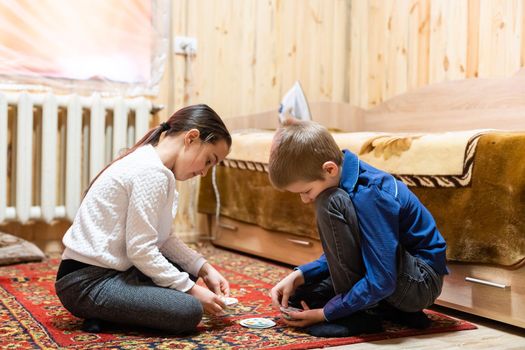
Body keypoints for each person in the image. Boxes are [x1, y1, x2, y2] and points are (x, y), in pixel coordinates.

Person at [55, 104, 232, 334]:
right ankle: (103, 312)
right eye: (209, 160)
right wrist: (192, 291)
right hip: (86, 283)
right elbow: (141, 250)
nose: (204, 172)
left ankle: (112, 314)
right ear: (191, 138)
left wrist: (204, 269)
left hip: (115, 271)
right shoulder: (151, 172)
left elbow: (163, 239)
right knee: (188, 310)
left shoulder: (155, 166)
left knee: (185, 271)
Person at [268, 119, 448, 337]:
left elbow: (382, 277)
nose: (305, 200)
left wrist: (326, 313)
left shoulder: (369, 194)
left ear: (330, 169)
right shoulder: (345, 177)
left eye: (306, 190)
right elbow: (352, 249)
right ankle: (388, 309)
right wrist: (299, 275)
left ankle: (362, 315)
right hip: (396, 273)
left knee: (329, 201)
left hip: (419, 283)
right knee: (302, 295)